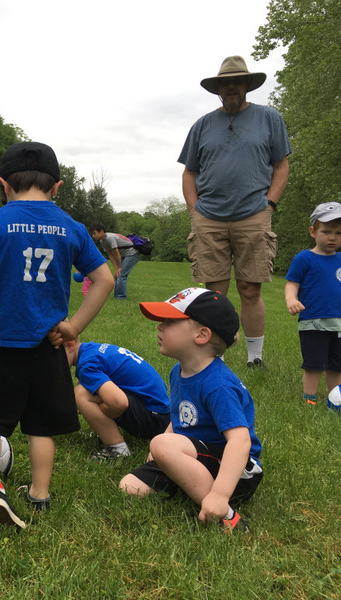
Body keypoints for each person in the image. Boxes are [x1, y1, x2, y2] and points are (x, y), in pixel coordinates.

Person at [0, 141, 114, 530]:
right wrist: (74, 327)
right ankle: (39, 495)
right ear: (57, 187)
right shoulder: (72, 228)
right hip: (49, 346)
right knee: (42, 424)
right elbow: (105, 278)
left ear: (2, 184)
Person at [119, 287, 263, 534]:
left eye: (169, 321)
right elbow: (179, 419)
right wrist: (161, 453)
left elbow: (240, 442)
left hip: (235, 470)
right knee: (129, 486)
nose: (159, 327)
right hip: (195, 455)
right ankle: (187, 482)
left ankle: (223, 513)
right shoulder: (179, 371)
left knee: (162, 445)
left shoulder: (218, 385)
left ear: (201, 335)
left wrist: (219, 493)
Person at [179, 56, 291, 370]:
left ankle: (255, 358)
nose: (231, 87)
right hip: (209, 217)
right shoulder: (202, 124)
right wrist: (194, 211)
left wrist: (270, 204)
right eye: (225, 83)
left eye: (237, 81)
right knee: (214, 291)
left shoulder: (269, 118)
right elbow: (189, 173)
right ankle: (217, 357)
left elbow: (281, 165)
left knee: (249, 288)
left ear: (246, 85)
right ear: (217, 88)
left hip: (254, 214)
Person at [64, 337, 170, 462]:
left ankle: (118, 449)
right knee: (86, 390)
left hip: (152, 420)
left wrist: (101, 413)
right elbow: (85, 381)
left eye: (53, 358)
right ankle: (104, 431)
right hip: (162, 414)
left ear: (69, 344)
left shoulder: (87, 365)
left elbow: (119, 403)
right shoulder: (92, 350)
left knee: (80, 394)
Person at [284, 202, 341, 407]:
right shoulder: (304, 258)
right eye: (326, 231)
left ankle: (335, 398)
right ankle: (310, 398)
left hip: (339, 323)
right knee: (314, 363)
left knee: (337, 365)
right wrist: (292, 299)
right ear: (313, 231)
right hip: (313, 321)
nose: (332, 237)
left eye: (338, 233)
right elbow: (292, 284)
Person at [89, 225, 140, 300]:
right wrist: (116, 268)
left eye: (94, 233)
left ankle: (121, 297)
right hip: (124, 254)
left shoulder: (110, 238)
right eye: (92, 234)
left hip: (132, 253)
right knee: (118, 274)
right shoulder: (102, 241)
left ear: (102, 232)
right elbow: (110, 254)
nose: (93, 236)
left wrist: (119, 267)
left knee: (121, 274)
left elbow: (116, 253)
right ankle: (117, 295)